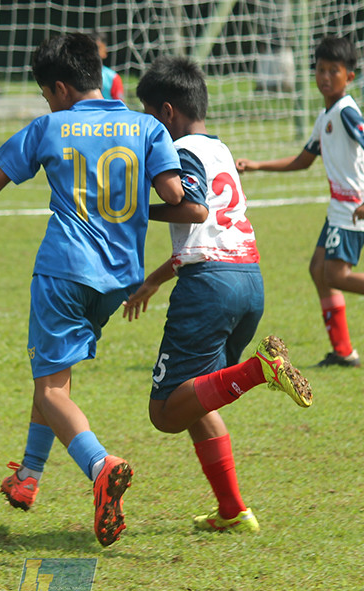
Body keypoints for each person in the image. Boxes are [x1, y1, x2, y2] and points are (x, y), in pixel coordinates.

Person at [0, 33, 185, 547]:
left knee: (51, 387)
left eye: (45, 93)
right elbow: (173, 193)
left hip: (63, 271)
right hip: (121, 279)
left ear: (59, 88)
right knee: (53, 379)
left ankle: (102, 466)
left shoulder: (50, 127)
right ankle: (28, 477)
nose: (46, 102)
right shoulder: (147, 126)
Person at [124, 56, 313, 534]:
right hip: (247, 279)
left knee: (164, 411)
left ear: (166, 112)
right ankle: (233, 510)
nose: (147, 124)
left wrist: (135, 213)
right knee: (195, 401)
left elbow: (193, 209)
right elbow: (215, 230)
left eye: (147, 113)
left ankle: (259, 369)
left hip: (210, 288)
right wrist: (155, 278)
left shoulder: (182, 149)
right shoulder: (219, 150)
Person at [236, 36, 364, 368]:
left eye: (334, 70)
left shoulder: (346, 111)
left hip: (355, 207)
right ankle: (343, 352)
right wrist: (257, 165)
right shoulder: (326, 116)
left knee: (335, 273)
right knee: (318, 270)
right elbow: (304, 160)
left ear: (350, 76)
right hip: (341, 206)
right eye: (320, 69)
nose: (325, 77)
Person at [91, 32, 125, 101]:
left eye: (98, 48)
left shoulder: (113, 78)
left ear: (105, 50)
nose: (94, 52)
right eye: (91, 48)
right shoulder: (79, 75)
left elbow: (120, 105)